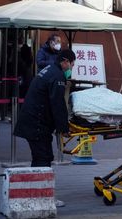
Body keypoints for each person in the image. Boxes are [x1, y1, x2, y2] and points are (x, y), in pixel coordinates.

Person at [14, 49, 75, 207]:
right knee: (43, 158)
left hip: (33, 121)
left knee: (41, 158)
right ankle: (43, 197)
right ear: (65, 62)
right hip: (37, 124)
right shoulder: (57, 76)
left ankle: (38, 194)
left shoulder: (49, 70)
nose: (71, 68)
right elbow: (58, 104)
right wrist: (64, 127)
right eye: (72, 64)